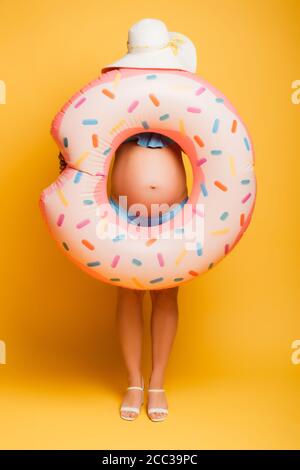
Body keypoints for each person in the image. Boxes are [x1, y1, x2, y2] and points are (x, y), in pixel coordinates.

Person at [110, 132, 188, 421]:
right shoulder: (118, 99)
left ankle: (157, 382)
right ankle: (134, 381)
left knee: (167, 293)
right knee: (129, 291)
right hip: (122, 213)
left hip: (175, 214)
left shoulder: (175, 100)